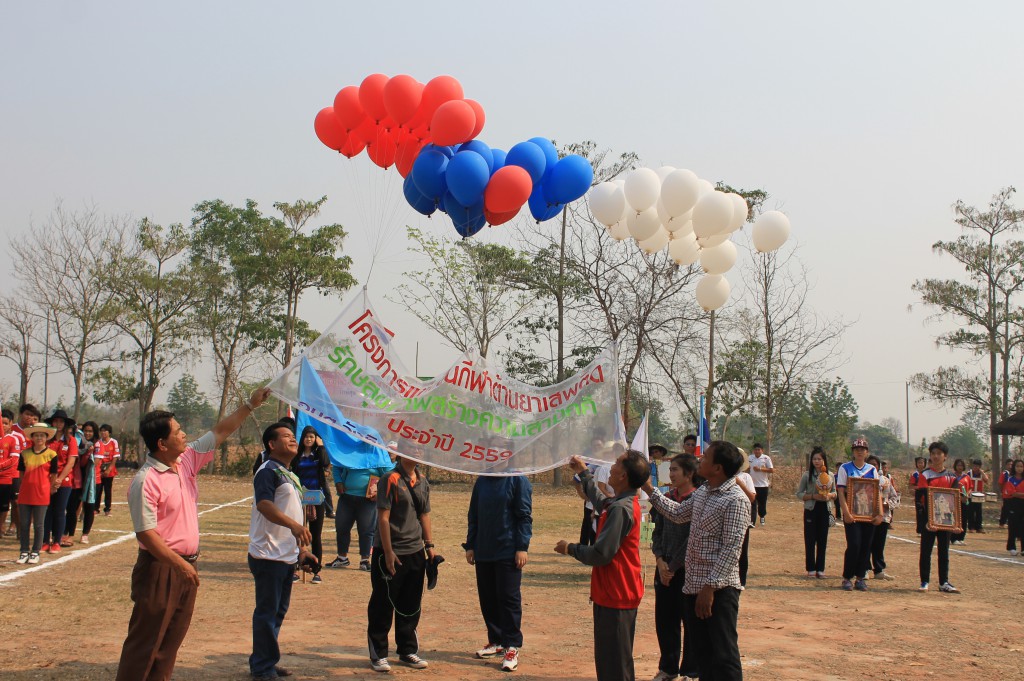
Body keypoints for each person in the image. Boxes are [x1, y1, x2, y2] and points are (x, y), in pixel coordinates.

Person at [115, 386, 271, 681]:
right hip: (160, 568)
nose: (184, 434)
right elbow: (147, 534)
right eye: (178, 431)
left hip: (186, 566)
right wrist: (179, 564)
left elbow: (221, 431)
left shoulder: (186, 460)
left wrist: (250, 405)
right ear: (162, 443)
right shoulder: (146, 480)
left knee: (170, 643)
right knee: (146, 643)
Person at [641, 441, 750, 681]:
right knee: (703, 654)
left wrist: (709, 588)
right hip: (693, 587)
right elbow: (677, 513)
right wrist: (649, 488)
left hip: (718, 591)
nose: (700, 459)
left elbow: (731, 549)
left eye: (706, 457)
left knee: (724, 654)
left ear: (718, 468)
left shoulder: (735, 499)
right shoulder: (703, 492)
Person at [555, 449, 648, 681]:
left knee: (614, 664)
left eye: (616, 463)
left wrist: (570, 548)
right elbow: (600, 501)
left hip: (617, 593)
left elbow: (600, 554)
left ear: (623, 476)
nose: (611, 467)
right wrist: (584, 473)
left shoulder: (621, 509)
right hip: (613, 592)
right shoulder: (618, 503)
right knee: (611, 660)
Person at [248, 422, 316, 680]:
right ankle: (262, 668)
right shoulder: (267, 471)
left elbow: (293, 512)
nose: (293, 439)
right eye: (286, 436)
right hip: (268, 554)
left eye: (293, 436)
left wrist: (302, 550)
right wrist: (295, 527)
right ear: (272, 444)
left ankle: (265, 660)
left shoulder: (289, 473)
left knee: (276, 613)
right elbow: (265, 505)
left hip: (286, 554)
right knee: (267, 613)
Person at [367, 447, 437, 672]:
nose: (417, 451)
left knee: (411, 604)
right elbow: (383, 518)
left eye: (420, 448)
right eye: (411, 448)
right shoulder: (390, 479)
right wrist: (388, 552)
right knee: (383, 603)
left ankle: (407, 650)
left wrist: (429, 546)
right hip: (390, 551)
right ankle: (378, 654)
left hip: (415, 551)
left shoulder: (423, 481)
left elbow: (424, 514)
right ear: (400, 452)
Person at [464, 469, 532, 672]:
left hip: (508, 550)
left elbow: (524, 516)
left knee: (508, 598)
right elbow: (474, 514)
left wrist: (522, 547)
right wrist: (471, 544)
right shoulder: (482, 481)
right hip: (484, 549)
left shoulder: (517, 480)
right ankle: (497, 640)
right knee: (488, 597)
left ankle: (512, 646)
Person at [650, 453, 700, 681]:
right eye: (670, 470)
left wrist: (673, 566)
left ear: (689, 474)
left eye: (675, 470)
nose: (671, 474)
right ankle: (668, 668)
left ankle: (690, 671)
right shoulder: (666, 498)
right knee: (665, 620)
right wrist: (660, 560)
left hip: (686, 569)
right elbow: (657, 531)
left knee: (690, 621)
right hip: (664, 568)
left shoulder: (697, 500)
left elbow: (692, 538)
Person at [326, 440, 394, 572]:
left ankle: (365, 560)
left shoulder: (378, 453)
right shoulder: (349, 450)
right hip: (346, 497)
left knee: (367, 530)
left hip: (368, 500)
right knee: (341, 527)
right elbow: (337, 466)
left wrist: (379, 491)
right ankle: (342, 557)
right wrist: (338, 481)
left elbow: (389, 474)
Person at [837, 437, 883, 592]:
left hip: (868, 513)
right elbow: (841, 492)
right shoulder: (845, 468)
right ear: (853, 452)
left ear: (867, 452)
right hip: (852, 513)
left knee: (866, 546)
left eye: (862, 449)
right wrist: (846, 512)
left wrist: (879, 513)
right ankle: (847, 577)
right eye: (857, 449)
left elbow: (877, 492)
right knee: (854, 545)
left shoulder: (872, 469)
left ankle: (860, 577)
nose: (859, 452)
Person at [290, 425, 334, 584]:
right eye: (306, 436)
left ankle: (316, 571)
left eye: (312, 437)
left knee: (316, 535)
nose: (309, 439)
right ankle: (295, 568)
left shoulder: (318, 454)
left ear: (316, 439)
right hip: (299, 498)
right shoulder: (297, 455)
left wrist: (321, 446)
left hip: (316, 498)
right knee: (298, 534)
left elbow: (325, 463)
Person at [917, 442, 960, 593]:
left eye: (939, 453)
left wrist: (955, 523)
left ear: (945, 456)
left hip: (945, 519)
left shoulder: (952, 477)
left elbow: (955, 500)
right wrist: (925, 521)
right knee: (926, 550)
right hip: (929, 520)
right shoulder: (925, 475)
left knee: (944, 551)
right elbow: (920, 499)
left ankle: (944, 582)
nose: (935, 456)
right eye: (933, 453)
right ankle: (924, 581)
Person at [15, 422, 58, 564]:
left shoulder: (52, 455)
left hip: (42, 493)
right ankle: (24, 551)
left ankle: (35, 552)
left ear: (46, 438)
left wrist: (50, 488)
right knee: (24, 524)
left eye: (42, 435)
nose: (39, 438)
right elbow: (21, 474)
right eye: (36, 435)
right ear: (32, 437)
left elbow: (53, 475)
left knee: (39, 525)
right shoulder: (24, 454)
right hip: (25, 493)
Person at [796, 446, 836, 578]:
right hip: (811, 509)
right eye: (814, 459)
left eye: (819, 459)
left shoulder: (830, 475)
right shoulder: (807, 475)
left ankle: (820, 569)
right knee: (810, 539)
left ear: (824, 460)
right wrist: (813, 496)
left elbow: (835, 493)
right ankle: (811, 568)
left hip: (825, 509)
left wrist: (829, 496)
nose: (817, 461)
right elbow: (799, 493)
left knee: (822, 539)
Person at [42, 410, 78, 554]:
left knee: (59, 510)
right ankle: (45, 541)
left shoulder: (71, 440)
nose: (58, 424)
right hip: (47, 479)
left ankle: (57, 541)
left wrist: (59, 479)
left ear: (65, 424)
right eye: (56, 421)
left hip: (64, 481)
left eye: (61, 421)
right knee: (47, 510)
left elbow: (71, 462)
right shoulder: (46, 440)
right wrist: (51, 479)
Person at [5, 403, 41, 537]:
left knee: (24, 500)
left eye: (32, 415)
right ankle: (13, 525)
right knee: (13, 500)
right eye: (27, 414)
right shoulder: (12, 429)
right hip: (11, 470)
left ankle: (22, 528)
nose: (29, 418)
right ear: (21, 414)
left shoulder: (34, 432)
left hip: (29, 470)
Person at [867, 455, 898, 581]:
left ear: (878, 466)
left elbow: (894, 497)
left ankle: (879, 570)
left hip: (883, 517)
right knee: (866, 544)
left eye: (875, 464)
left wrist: (886, 504)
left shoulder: (885, 481)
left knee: (879, 545)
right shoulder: (861, 480)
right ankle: (865, 569)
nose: (873, 466)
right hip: (867, 517)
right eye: (870, 464)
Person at [572, 437, 606, 546]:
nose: (597, 448)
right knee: (588, 524)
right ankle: (583, 547)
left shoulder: (608, 463)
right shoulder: (588, 464)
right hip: (591, 500)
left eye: (599, 445)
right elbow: (576, 479)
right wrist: (582, 494)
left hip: (605, 501)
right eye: (594, 446)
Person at [62, 421, 89, 546]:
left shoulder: (81, 446)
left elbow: (82, 464)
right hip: (61, 481)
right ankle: (60, 533)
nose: (69, 435)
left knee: (72, 510)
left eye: (71, 433)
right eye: (66, 432)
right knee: (59, 510)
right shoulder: (59, 444)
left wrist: (87, 453)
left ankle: (70, 535)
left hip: (75, 482)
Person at [75, 421, 101, 544]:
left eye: (90, 431)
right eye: (85, 431)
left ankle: (85, 534)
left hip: (92, 479)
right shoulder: (78, 443)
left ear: (94, 432)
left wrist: (88, 453)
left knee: (89, 507)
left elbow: (95, 463)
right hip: (77, 477)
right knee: (73, 505)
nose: (87, 433)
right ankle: (68, 532)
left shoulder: (98, 445)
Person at [734, 455, 757, 587]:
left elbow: (752, 497)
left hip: (742, 516)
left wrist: (739, 482)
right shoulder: (721, 477)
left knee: (742, 550)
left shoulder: (745, 477)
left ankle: (741, 580)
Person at [0, 408, 22, 537]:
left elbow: (14, 459)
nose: (2, 426)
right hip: (2, 477)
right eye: (0, 423)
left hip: (11, 476)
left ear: (10, 424)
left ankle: (19, 530)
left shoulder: (14, 439)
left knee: (15, 503)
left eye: (5, 423)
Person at [95, 424, 120, 516]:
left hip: (109, 468)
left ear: (109, 432)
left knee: (107, 489)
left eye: (105, 431)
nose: (103, 432)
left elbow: (115, 456)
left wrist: (109, 469)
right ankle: (95, 509)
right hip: (99, 469)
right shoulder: (98, 442)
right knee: (98, 489)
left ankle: (107, 509)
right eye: (101, 431)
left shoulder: (114, 442)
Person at [748, 443, 773, 526]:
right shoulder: (750, 458)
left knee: (762, 503)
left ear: (762, 450)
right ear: (753, 450)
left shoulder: (766, 458)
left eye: (758, 450)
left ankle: (762, 516)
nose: (757, 451)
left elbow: (771, 470)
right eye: (755, 449)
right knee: (752, 503)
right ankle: (752, 521)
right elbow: (747, 468)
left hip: (763, 485)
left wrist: (760, 469)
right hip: (752, 485)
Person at [1003, 459, 1024, 556]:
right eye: (1017, 466)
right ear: (1014, 467)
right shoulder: (1010, 480)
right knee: (1013, 525)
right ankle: (1011, 547)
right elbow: (1013, 493)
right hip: (1013, 504)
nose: (1019, 468)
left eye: (1021, 466)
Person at [967, 459, 989, 533]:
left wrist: (982, 472)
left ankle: (979, 527)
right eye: (974, 466)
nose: (975, 467)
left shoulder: (982, 474)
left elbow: (986, 480)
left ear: (980, 467)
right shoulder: (969, 473)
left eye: (977, 466)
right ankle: (971, 527)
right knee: (971, 512)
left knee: (979, 512)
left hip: (979, 496)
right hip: (971, 495)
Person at [951, 458, 970, 545]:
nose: (960, 467)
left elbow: (970, 487)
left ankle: (961, 537)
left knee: (964, 518)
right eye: (958, 465)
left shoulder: (966, 477)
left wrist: (967, 495)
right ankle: (953, 538)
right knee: (955, 518)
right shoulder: (951, 476)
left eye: (961, 465)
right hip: (954, 499)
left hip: (964, 499)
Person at [911, 456, 927, 534]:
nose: (920, 464)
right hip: (919, 494)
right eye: (919, 463)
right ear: (916, 464)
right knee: (919, 512)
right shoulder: (915, 474)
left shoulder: (927, 473)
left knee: (926, 512)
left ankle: (926, 528)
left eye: (922, 462)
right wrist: (918, 487)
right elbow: (911, 485)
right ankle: (920, 530)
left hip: (926, 494)